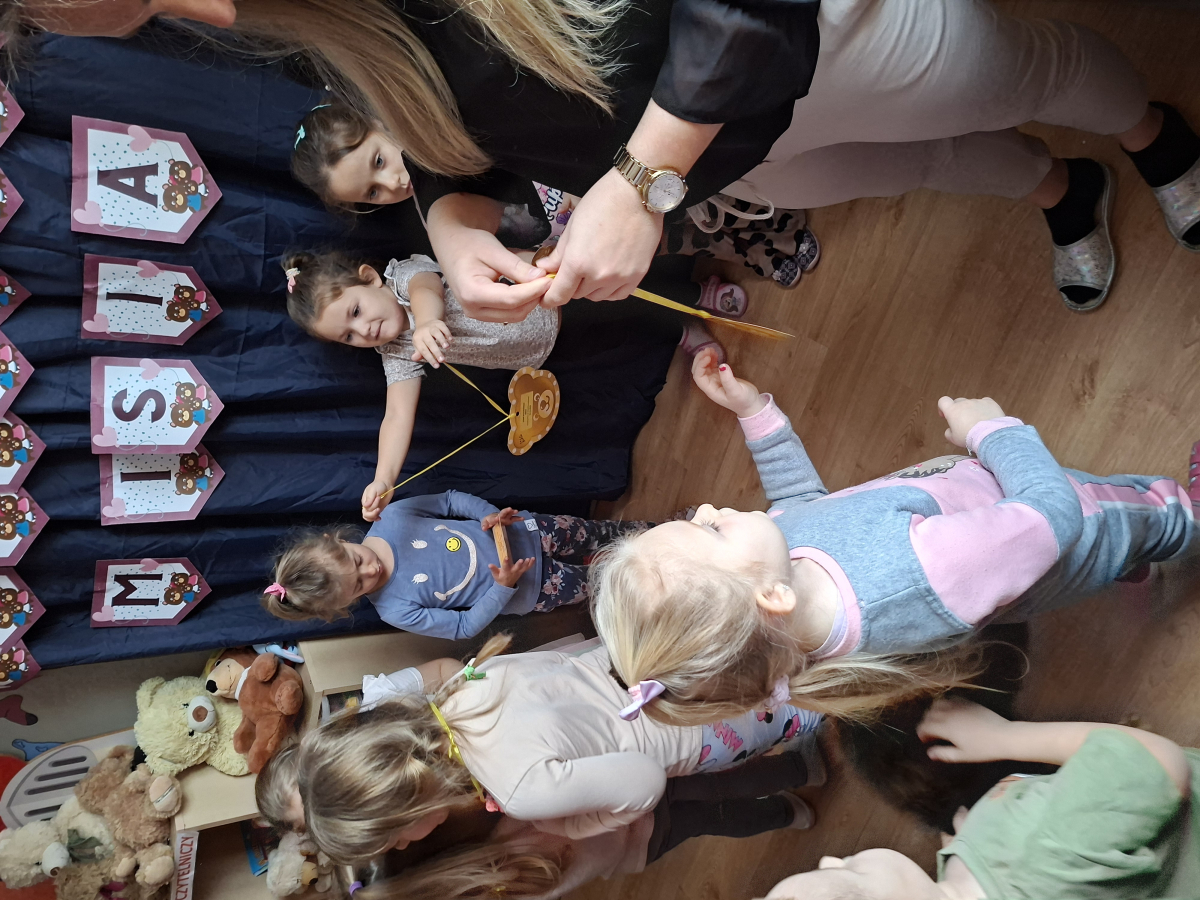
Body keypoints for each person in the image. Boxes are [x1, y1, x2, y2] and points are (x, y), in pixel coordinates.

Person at [24, 1, 1198, 317]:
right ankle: (1066, 185)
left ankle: (1156, 135)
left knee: (1025, 74)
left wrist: (639, 182)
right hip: (718, 156)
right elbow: (428, 94)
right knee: (922, 162)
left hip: (802, 44)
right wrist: (451, 219)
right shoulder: (259, 25)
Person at [589, 348, 1196, 724]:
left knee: (1119, 546)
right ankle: (1183, 521)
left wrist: (757, 416)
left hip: (1008, 542)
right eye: (710, 529)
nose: (707, 508)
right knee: (1148, 513)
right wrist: (994, 432)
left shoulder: (783, 596)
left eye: (692, 516)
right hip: (1072, 523)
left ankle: (1129, 559)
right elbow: (1053, 520)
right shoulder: (908, 577)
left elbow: (805, 509)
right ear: (770, 597)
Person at [256, 654, 821, 900]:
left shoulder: (518, 792)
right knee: (792, 668)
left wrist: (574, 824)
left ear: (405, 809)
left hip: (695, 734)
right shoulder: (459, 692)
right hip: (661, 670)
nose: (402, 847)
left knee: (810, 702)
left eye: (394, 837)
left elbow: (648, 782)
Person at [289, 102, 820, 290]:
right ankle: (744, 249)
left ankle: (773, 228)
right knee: (681, 240)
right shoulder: (430, 212)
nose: (393, 184)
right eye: (373, 193)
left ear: (379, 120)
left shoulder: (449, 122)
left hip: (605, 181)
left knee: (696, 201)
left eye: (379, 162)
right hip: (570, 228)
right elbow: (494, 226)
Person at [762, 696, 1199, 900]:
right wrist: (1006, 736)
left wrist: (966, 853)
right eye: (851, 873)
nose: (829, 860)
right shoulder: (1034, 849)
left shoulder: (978, 872)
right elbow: (1157, 764)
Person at [261, 493, 650, 639]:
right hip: (534, 588)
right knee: (612, 580)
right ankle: (666, 573)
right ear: (346, 604)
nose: (371, 572)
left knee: (603, 533)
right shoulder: (395, 610)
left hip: (529, 530)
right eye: (359, 586)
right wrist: (503, 588)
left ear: (336, 540)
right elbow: (463, 627)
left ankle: (666, 531)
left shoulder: (393, 518)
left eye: (357, 562)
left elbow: (448, 500)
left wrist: (487, 514)